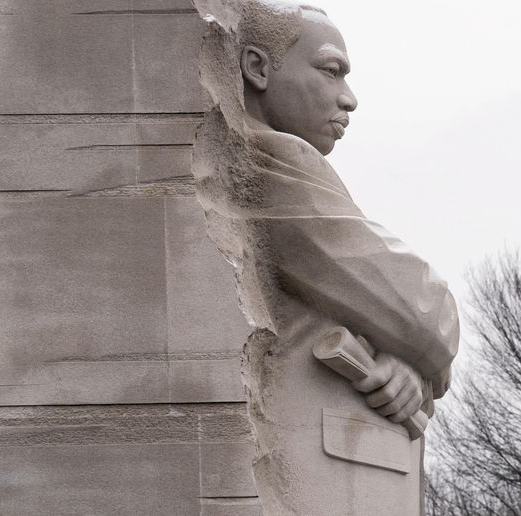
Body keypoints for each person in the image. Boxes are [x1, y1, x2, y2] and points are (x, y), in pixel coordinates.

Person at [193, 2, 459, 514]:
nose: (349, 98)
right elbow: (423, 312)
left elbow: (394, 319)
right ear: (258, 68)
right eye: (330, 70)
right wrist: (422, 351)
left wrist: (413, 369)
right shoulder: (272, 160)